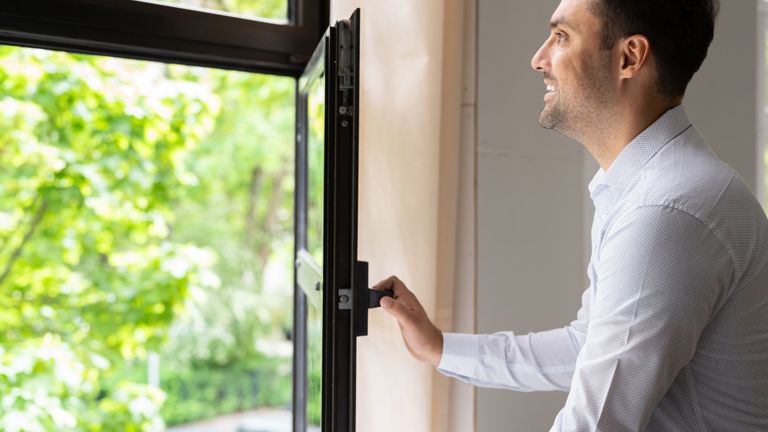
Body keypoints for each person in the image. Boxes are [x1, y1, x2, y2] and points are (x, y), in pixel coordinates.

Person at [373, 0, 768, 430]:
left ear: (629, 57)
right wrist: (440, 348)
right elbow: (590, 346)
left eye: (561, 36)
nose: (538, 58)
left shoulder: (666, 213)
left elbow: (594, 422)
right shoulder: (653, 188)